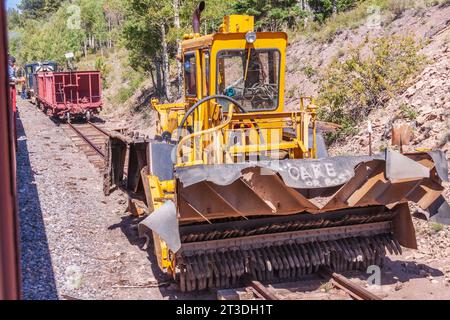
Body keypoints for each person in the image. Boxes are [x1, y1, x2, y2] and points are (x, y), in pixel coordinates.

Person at [8, 55, 25, 146]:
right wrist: (20, 80)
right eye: (13, 63)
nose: (13, 65)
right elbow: (11, 78)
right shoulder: (9, 67)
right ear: (11, 62)